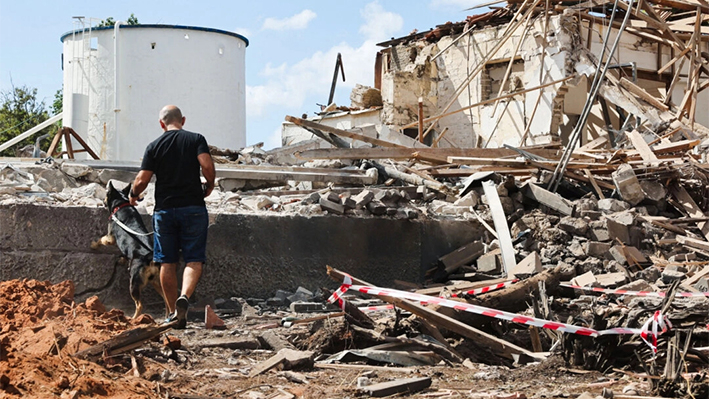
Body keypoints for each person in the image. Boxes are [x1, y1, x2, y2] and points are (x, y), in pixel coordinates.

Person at [130, 105, 215, 328]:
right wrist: (210, 183)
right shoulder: (196, 139)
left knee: (167, 262)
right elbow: (206, 165)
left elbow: (141, 181)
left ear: (161, 124)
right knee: (194, 259)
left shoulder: (154, 146)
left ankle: (171, 313)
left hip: (165, 211)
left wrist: (132, 195)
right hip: (193, 208)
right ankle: (184, 297)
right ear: (183, 120)